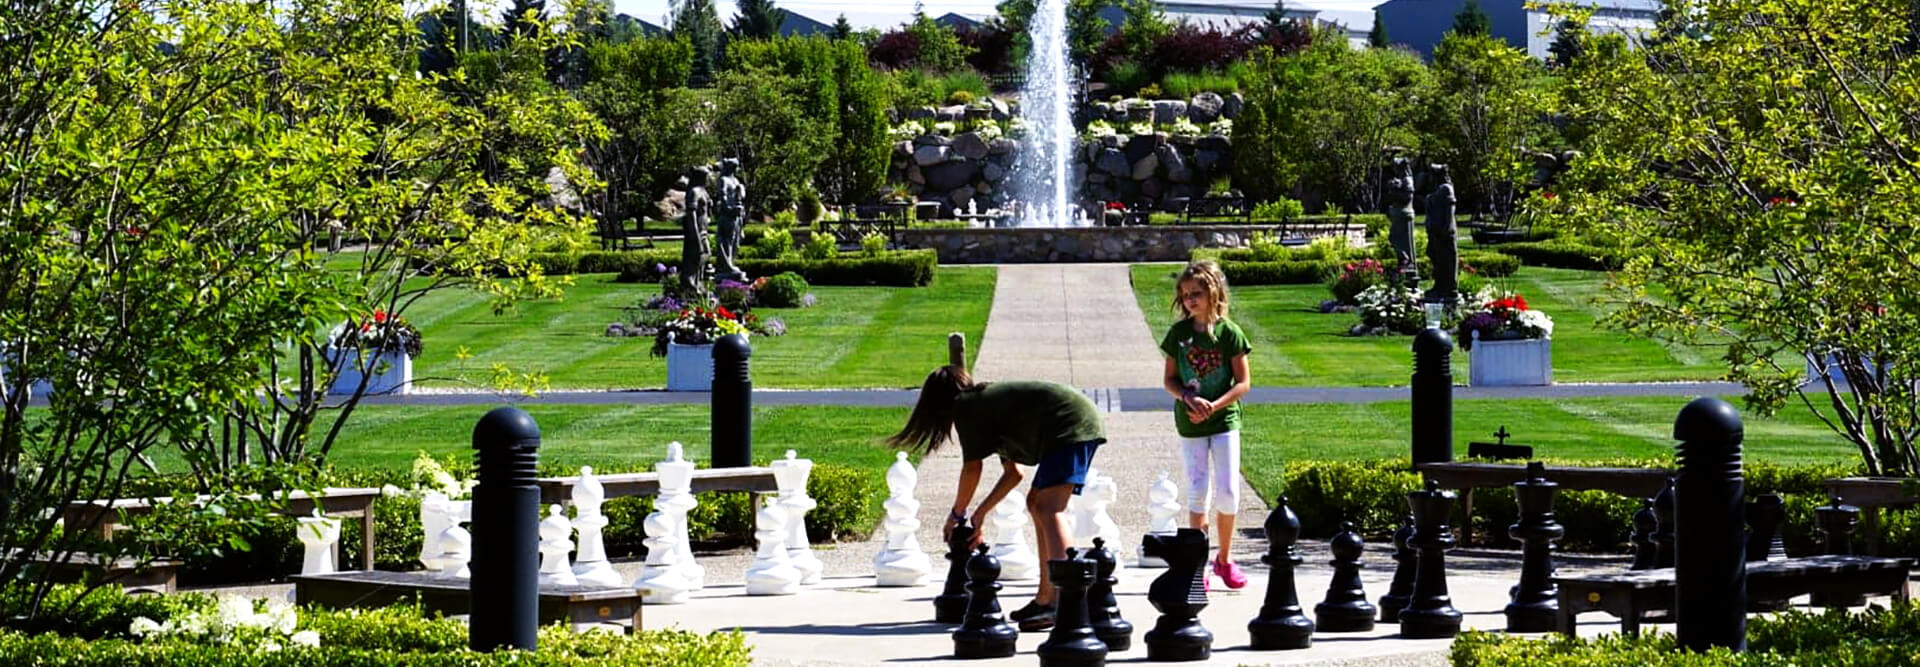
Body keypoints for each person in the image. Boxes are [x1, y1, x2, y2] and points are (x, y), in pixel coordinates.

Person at [886, 365, 1106, 632]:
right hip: (1069, 421)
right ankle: (1046, 598)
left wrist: (957, 514)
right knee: (1036, 504)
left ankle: (1066, 599)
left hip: (1070, 423)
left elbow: (972, 469)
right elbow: (1014, 474)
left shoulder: (967, 407)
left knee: (1050, 509)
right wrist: (979, 516)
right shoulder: (989, 407)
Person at [1160, 259, 1253, 589]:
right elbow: (1169, 380)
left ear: (1214, 293)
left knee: (1228, 492)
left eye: (1196, 293)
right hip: (1191, 422)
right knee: (1198, 491)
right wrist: (1187, 398)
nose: (1190, 300)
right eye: (1185, 295)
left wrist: (1215, 405)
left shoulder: (1230, 334)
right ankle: (1197, 564)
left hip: (1224, 420)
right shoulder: (1178, 335)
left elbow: (1243, 382)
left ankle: (1224, 559)